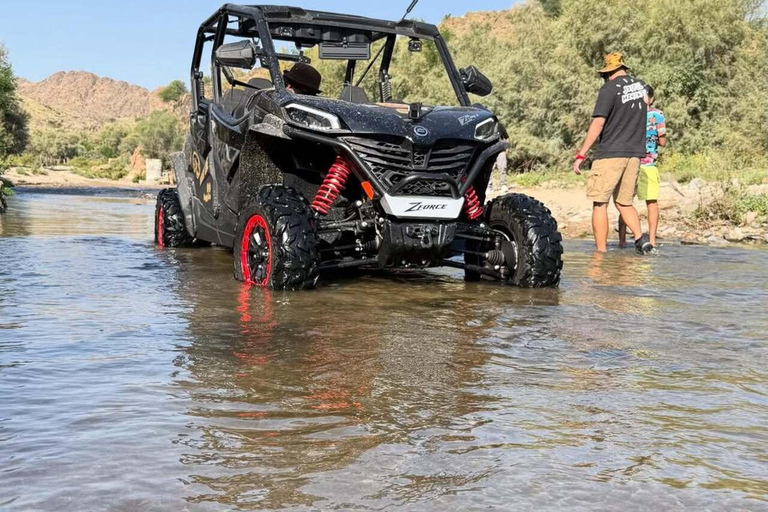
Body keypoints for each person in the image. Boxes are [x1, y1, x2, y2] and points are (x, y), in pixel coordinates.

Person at [573, 52, 652, 254]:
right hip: (634, 153)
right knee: (624, 203)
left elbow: (598, 122)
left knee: (600, 203)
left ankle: (600, 253)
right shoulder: (641, 87)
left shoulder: (609, 89)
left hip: (610, 153)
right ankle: (641, 240)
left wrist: (582, 154)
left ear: (608, 72)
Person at [618, 85, 666, 250]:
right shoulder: (657, 115)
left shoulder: (628, 114)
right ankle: (651, 240)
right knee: (651, 203)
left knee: (625, 202)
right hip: (649, 164)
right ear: (651, 98)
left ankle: (622, 241)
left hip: (630, 162)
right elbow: (663, 141)